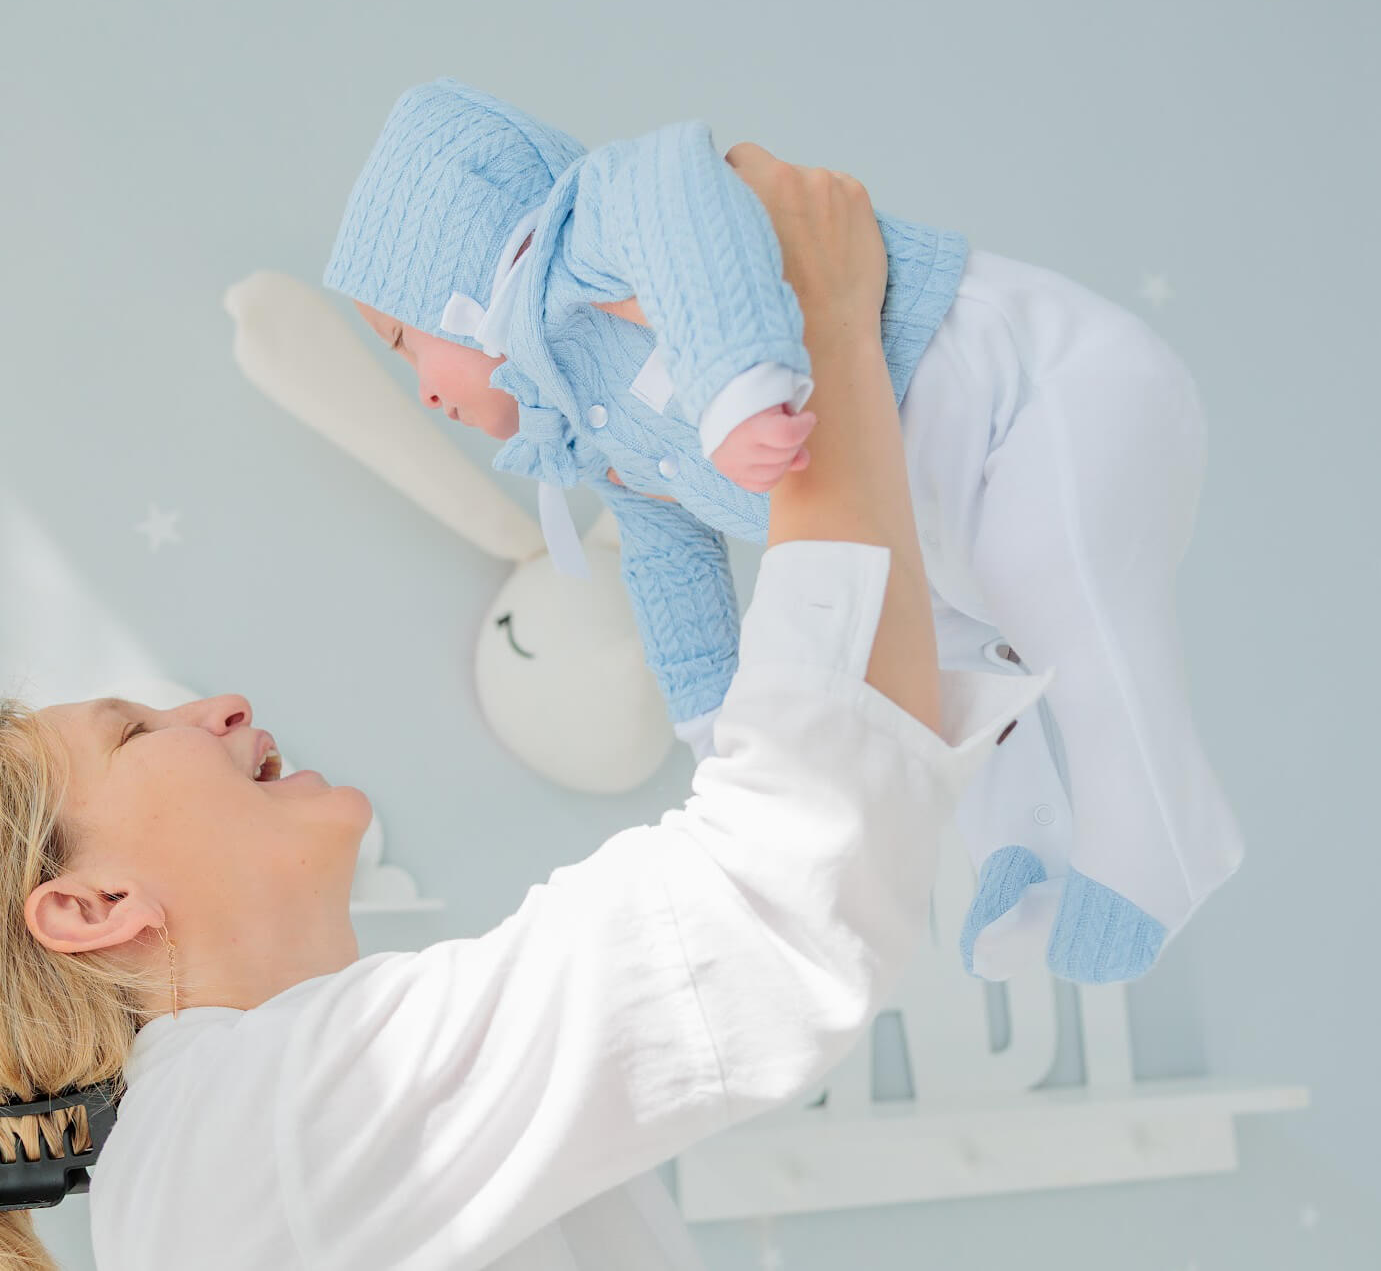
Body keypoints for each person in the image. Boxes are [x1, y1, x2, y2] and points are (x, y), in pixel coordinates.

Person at [0, 148, 1047, 1271]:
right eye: (134, 732)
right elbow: (767, 902)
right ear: (92, 904)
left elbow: (778, 892)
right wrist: (824, 338)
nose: (220, 707)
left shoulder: (262, 1117)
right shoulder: (265, 1126)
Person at [326, 79, 1243, 985]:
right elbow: (668, 563)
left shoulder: (592, 222)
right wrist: (715, 731)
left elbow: (687, 213)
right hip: (942, 508)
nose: (425, 392)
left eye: (404, 342)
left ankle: (1162, 836)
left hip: (1048, 388)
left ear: (461, 270)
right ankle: (1021, 851)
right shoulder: (597, 427)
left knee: (1060, 607)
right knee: (939, 663)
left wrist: (738, 386)